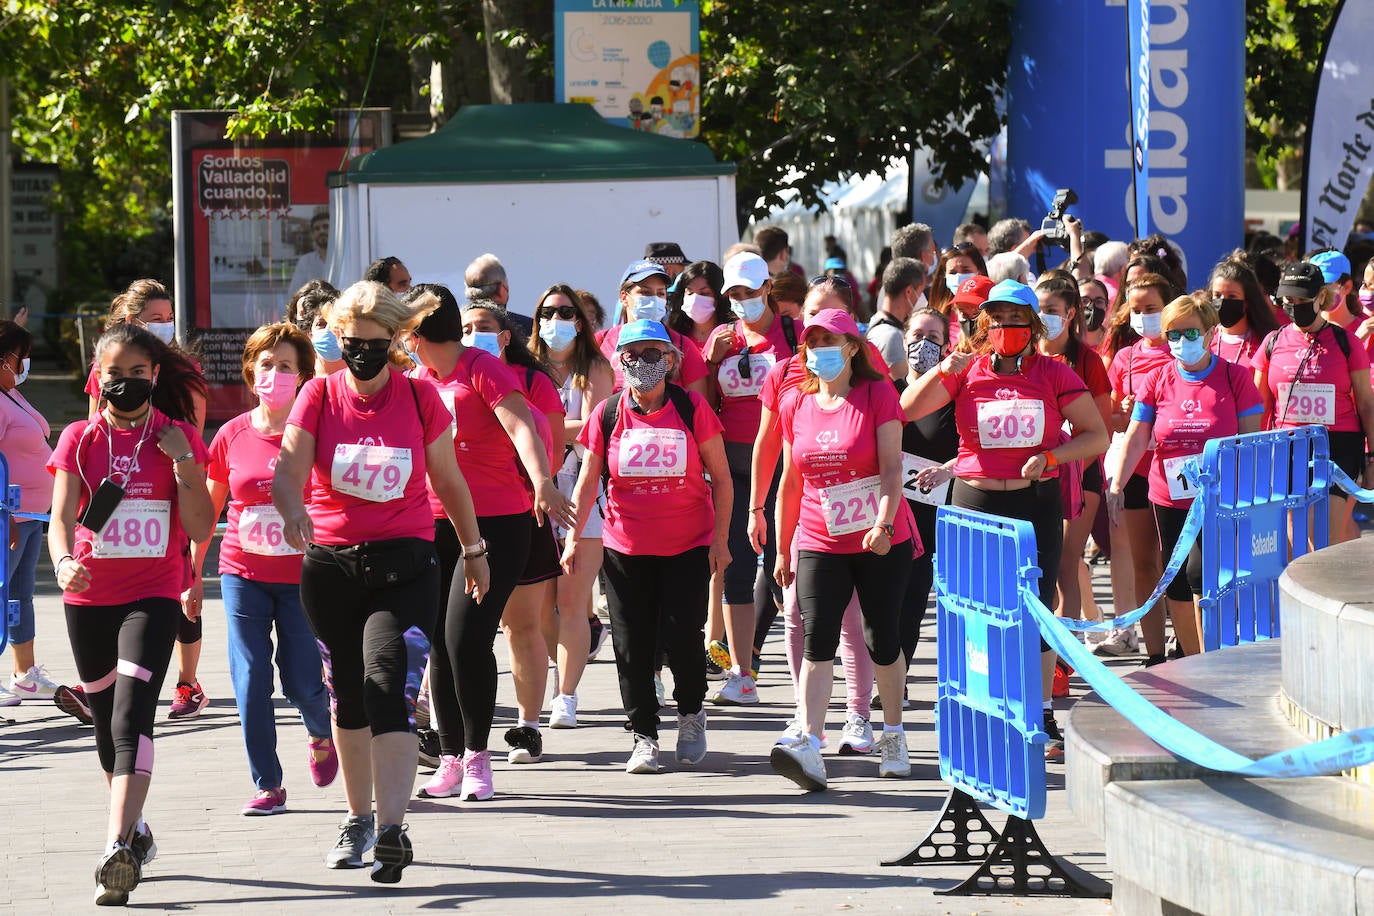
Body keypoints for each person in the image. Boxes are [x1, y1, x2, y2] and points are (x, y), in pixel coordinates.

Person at [273, 280, 490, 882]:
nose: (360, 353)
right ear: (339, 340)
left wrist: (473, 548)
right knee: (347, 691)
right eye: (350, 342)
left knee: (386, 681)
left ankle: (393, 829)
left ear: (394, 341)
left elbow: (447, 479)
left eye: (373, 342)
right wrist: (293, 508)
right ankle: (359, 818)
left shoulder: (421, 398)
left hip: (405, 565)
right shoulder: (317, 395)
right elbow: (288, 467)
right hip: (332, 569)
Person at [902, 279, 1108, 755]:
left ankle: (1040, 715)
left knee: (1034, 608)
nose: (1006, 328)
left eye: (1017, 320)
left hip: (1034, 504)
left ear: (1033, 325)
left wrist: (1053, 458)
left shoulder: (1053, 374)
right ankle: (985, 708)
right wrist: (941, 373)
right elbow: (904, 409)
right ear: (984, 325)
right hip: (974, 502)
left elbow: (1096, 435)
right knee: (977, 609)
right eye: (997, 320)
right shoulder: (966, 370)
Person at [47, 323, 215, 905]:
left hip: (154, 591)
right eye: (115, 376)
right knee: (104, 731)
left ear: (155, 377)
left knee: (131, 716)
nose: (126, 385)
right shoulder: (79, 438)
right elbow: (61, 519)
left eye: (138, 375)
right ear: (99, 378)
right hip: (89, 597)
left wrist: (184, 468)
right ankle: (138, 832)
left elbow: (197, 528)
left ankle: (115, 847)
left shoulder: (177, 438)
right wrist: (65, 562)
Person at [403, 288, 574, 801]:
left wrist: (542, 479)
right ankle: (451, 757)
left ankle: (478, 758)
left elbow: (525, 425)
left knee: (466, 636)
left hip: (498, 521)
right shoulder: (416, 380)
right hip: (434, 522)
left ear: (414, 333)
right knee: (438, 640)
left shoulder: (482, 367)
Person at [563, 320, 731, 774]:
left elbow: (723, 477)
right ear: (620, 361)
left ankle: (691, 713)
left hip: (687, 544)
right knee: (632, 645)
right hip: (625, 548)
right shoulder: (608, 413)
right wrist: (573, 537)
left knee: (681, 638)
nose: (643, 363)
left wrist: (720, 540)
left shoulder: (692, 407)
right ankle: (643, 735)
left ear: (672, 361)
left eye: (654, 354)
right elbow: (586, 480)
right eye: (633, 354)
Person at [769, 308, 919, 791]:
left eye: (829, 342)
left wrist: (883, 522)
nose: (819, 351)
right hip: (818, 535)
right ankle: (810, 742)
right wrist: (781, 547)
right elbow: (790, 481)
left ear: (853, 348)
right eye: (811, 342)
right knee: (817, 636)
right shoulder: (796, 403)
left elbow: (893, 469)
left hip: (879, 537)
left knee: (882, 639)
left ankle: (893, 734)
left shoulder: (877, 394)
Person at [191, 322, 337, 816]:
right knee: (251, 680)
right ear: (251, 373)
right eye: (267, 364)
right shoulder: (231, 434)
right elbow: (209, 510)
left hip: (303, 578)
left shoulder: (319, 432)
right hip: (241, 574)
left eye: (286, 366)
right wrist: (191, 572)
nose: (275, 373)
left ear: (303, 376)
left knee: (301, 683)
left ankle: (321, 731)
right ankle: (268, 783)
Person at [749, 278, 890, 756]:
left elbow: (888, 447)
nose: (818, 333)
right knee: (796, 615)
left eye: (830, 322)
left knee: (855, 623)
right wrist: (759, 511)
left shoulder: (873, 377)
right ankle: (806, 721)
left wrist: (885, 519)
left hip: (866, 524)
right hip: (810, 520)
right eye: (811, 320)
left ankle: (859, 716)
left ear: (850, 332)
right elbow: (773, 452)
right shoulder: (787, 375)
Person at [1107, 296, 1264, 657]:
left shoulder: (1235, 377)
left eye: (1190, 332)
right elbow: (1136, 436)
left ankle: (1215, 655)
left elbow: (1251, 441)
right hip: (1170, 495)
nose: (1181, 341)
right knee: (1176, 581)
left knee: (1202, 575)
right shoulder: (1157, 378)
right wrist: (1118, 483)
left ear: (1210, 333)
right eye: (1172, 334)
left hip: (1220, 498)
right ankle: (1194, 661)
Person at [84, 279, 211, 721]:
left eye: (168, 318)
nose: (165, 326)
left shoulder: (183, 373)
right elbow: (90, 435)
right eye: (154, 319)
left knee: (182, 583)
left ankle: (187, 681)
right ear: (129, 322)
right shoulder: (105, 369)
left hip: (170, 488)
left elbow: (195, 441)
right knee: (109, 578)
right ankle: (102, 680)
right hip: (117, 490)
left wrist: (185, 473)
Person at [463, 300, 567, 765]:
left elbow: (554, 449)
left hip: (521, 514)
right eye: (464, 327)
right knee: (456, 633)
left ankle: (527, 725)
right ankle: (450, 732)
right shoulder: (444, 381)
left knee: (520, 625)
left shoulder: (532, 382)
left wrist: (532, 484)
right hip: (455, 518)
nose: (472, 335)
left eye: (482, 327)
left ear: (505, 337)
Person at [702, 252, 800, 705]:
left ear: (767, 289)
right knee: (735, 567)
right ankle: (743, 674)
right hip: (732, 468)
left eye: (748, 292)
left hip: (788, 468)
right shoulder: (722, 338)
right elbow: (703, 406)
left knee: (793, 571)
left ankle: (809, 672)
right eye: (733, 295)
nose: (741, 302)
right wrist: (708, 363)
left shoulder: (796, 335)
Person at [529, 284, 615, 728]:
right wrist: (565, 429)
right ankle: (554, 675)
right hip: (534, 493)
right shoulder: (526, 367)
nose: (555, 321)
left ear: (580, 321)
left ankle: (567, 694)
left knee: (574, 597)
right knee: (544, 606)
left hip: (586, 491)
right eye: (547, 312)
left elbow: (597, 430)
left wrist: (545, 428)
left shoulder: (595, 367)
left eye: (565, 312)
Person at [1252, 261, 1374, 546]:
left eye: (1302, 300)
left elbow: (1367, 405)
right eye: (1288, 301)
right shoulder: (1273, 341)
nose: (1293, 307)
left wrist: (1372, 459)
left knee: (1325, 535)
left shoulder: (1346, 342)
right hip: (1287, 445)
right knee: (1296, 536)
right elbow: (1259, 407)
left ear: (1321, 297)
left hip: (1337, 446)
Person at [1103, 271, 1179, 664]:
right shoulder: (1124, 357)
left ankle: (1184, 641)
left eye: (1152, 309)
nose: (1144, 317)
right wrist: (1124, 413)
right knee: (1144, 562)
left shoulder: (1183, 352)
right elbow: (1113, 419)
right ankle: (1154, 651)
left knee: (1176, 562)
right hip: (1135, 470)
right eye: (1137, 310)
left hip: (1174, 471)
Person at [1034, 273, 1112, 642]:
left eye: (1051, 310)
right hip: (1032, 478)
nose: (1042, 316)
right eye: (1037, 309)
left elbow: (1101, 435)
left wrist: (1063, 460)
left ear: (1069, 315)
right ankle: (1042, 651)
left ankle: (1064, 658)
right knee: (1040, 567)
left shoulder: (1088, 361)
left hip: (1081, 478)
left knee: (1066, 562)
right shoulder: (1024, 357)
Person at [0, 321, 59, 706]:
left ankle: (25, 674)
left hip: (32, 516)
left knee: (20, 597)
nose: (26, 365)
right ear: (6, 359)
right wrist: (3, 518)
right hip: (10, 520)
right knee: (1, 595)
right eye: (22, 358)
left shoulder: (11, 394)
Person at [599, 260, 709, 395]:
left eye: (661, 293)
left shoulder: (683, 345)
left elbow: (700, 404)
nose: (654, 299)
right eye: (645, 292)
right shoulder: (600, 341)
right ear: (624, 297)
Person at [1207, 255, 1279, 369]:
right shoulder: (1204, 340)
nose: (1223, 301)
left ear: (1247, 300)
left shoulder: (1267, 342)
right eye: (1217, 295)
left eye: (1232, 296)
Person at [866, 258, 927, 382]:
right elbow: (904, 392)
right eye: (921, 292)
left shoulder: (877, 321)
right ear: (909, 291)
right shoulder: (892, 337)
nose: (923, 299)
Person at [666, 259, 733, 353]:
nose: (695, 299)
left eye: (704, 293)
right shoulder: (672, 336)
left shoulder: (732, 333)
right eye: (690, 292)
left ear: (719, 296)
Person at [288, 208, 330, 296]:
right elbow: (294, 293)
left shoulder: (344, 259)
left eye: (325, 227)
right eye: (317, 229)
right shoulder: (305, 261)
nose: (321, 231)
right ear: (312, 235)